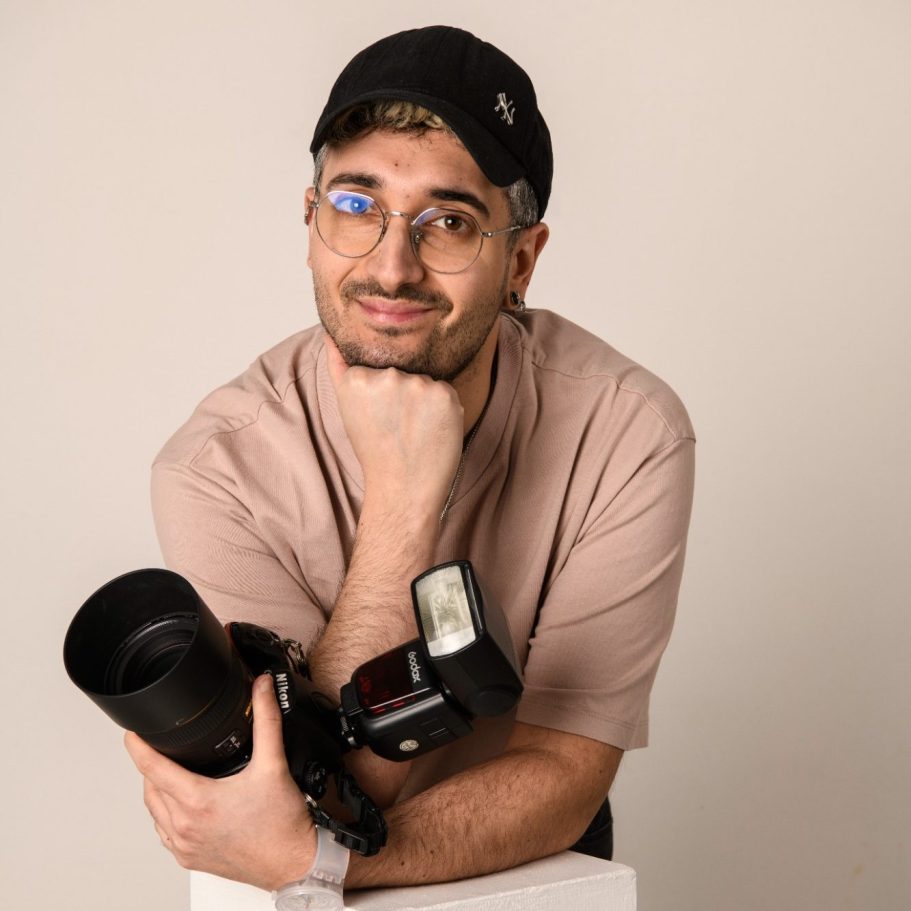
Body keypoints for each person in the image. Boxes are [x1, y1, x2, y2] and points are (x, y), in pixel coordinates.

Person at [125, 25, 695, 898]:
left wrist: (331, 853)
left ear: (521, 261)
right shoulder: (214, 468)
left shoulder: (625, 431)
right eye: (356, 206)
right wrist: (402, 500)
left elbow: (564, 764)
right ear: (310, 223)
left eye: (449, 222)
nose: (392, 268)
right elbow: (311, 788)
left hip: (524, 858)